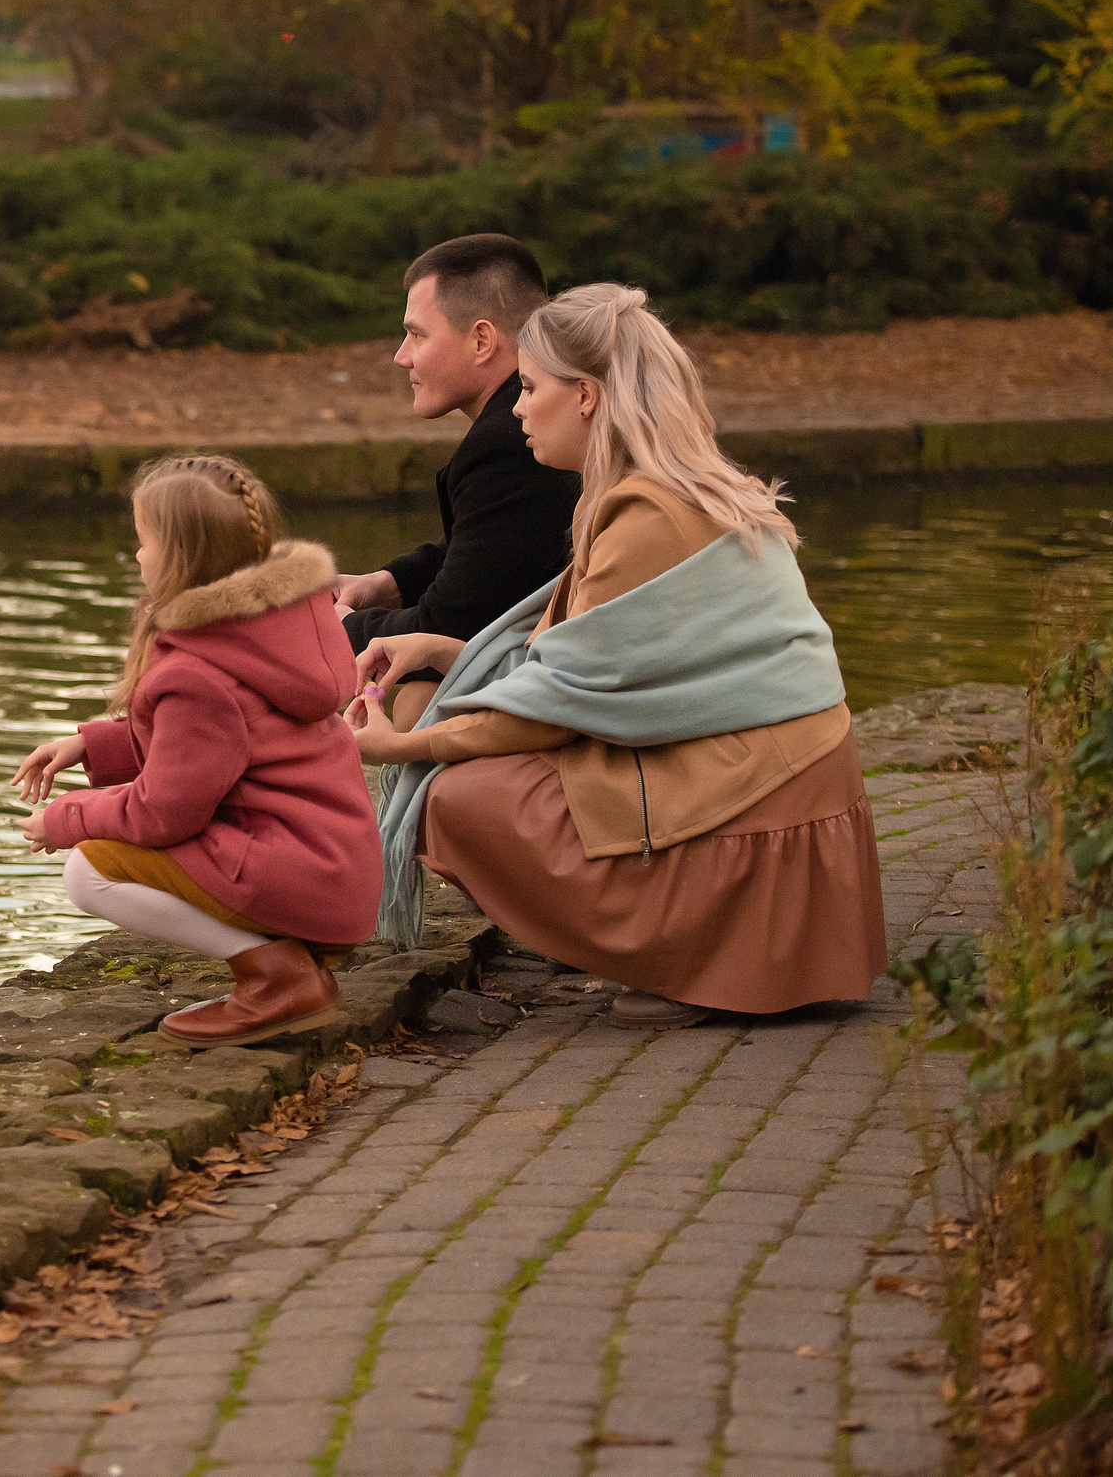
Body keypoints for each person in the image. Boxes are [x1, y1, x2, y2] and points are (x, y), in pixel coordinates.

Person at [349, 284, 884, 1029]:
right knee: (453, 729)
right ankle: (668, 953)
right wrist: (443, 648)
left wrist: (401, 745)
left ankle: (683, 962)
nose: (517, 408)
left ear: (588, 396)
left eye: (531, 387)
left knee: (454, 796)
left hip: (758, 786)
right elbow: (593, 672)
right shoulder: (653, 490)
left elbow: (556, 703)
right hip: (776, 772)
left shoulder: (646, 516)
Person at [12, 454, 382, 1048]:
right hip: (333, 865)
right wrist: (90, 744)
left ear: (182, 555)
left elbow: (163, 812)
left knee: (88, 870)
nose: (137, 556)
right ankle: (285, 961)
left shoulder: (197, 672)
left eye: (144, 542)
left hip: (300, 871)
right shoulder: (281, 623)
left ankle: (278, 978)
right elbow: (211, 750)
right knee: (111, 848)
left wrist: (65, 819)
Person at [337, 235, 583, 728]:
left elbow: (449, 627)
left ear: (481, 340)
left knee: (412, 705)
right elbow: (488, 550)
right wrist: (387, 584)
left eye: (417, 335)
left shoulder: (512, 442)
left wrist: (337, 628)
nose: (401, 356)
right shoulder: (510, 432)